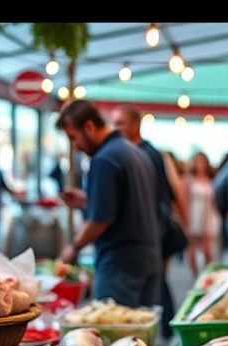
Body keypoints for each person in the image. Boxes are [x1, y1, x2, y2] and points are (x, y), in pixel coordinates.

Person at [55, 99, 162, 309]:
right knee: (143, 336)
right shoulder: (135, 152)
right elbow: (128, 203)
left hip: (120, 264)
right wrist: (88, 199)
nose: (74, 146)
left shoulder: (104, 159)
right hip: (149, 259)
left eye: (73, 137)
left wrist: (73, 247)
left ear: (89, 127)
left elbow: (101, 219)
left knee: (115, 335)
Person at [111, 104, 188, 339]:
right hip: (152, 229)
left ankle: (168, 327)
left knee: (157, 282)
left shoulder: (146, 154)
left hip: (153, 229)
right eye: (114, 123)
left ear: (135, 125)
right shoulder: (142, 152)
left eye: (120, 123)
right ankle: (168, 327)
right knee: (157, 281)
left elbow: (164, 194)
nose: (115, 129)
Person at [180, 150, 220, 279]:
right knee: (192, 247)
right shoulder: (188, 180)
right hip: (194, 215)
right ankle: (195, 275)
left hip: (207, 216)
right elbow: (184, 200)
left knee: (208, 249)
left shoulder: (210, 179)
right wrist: (185, 219)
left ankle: (208, 275)